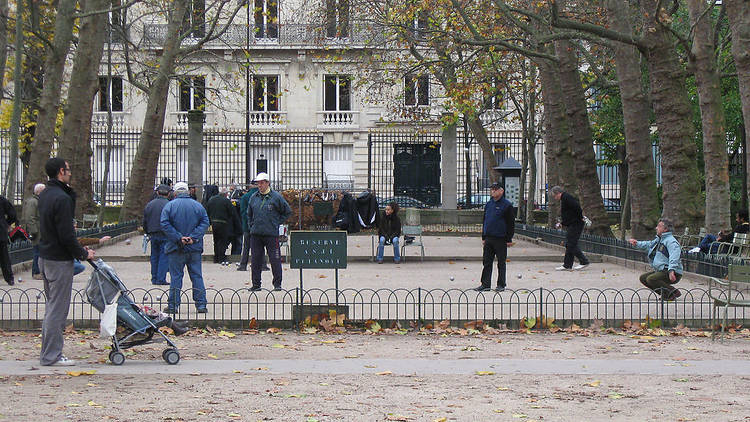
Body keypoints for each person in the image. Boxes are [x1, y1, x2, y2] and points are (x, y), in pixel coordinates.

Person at [38, 157, 96, 366]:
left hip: (45, 257)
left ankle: (48, 352)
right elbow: (66, 235)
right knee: (57, 310)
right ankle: (51, 355)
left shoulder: (45, 194)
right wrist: (83, 254)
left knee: (51, 307)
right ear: (61, 171)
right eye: (68, 170)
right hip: (59, 260)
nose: (70, 173)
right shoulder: (61, 199)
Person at [160, 182, 210, 314]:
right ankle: (201, 305)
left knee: (176, 277)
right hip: (194, 247)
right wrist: (193, 237)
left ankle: (173, 305)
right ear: (188, 192)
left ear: (174, 193)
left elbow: (164, 224)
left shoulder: (169, 206)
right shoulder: (198, 206)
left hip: (176, 247)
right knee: (197, 276)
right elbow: (205, 222)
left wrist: (178, 237)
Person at [247, 172, 291, 291]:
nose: (259, 185)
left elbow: (287, 211)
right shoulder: (253, 197)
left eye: (261, 183)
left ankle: (277, 284)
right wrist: (251, 225)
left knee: (275, 259)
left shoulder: (276, 197)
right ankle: (256, 284)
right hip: (256, 234)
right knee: (255, 260)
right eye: (258, 183)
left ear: (267, 183)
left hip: (271, 234)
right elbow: (249, 214)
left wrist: (276, 222)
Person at [628, 218, 683, 301]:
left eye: (659, 226)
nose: (656, 228)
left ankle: (673, 292)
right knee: (643, 278)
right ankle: (666, 293)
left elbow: (674, 256)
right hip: (662, 269)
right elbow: (649, 245)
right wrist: (637, 243)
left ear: (665, 229)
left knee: (651, 279)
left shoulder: (671, 241)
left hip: (672, 271)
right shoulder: (660, 239)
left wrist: (671, 270)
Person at [475, 182, 515, 292]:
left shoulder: (507, 205)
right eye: (492, 189)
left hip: (500, 238)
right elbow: (485, 220)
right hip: (489, 237)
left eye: (495, 189)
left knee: (501, 262)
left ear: (501, 191)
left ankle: (501, 284)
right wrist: (484, 236)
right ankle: (485, 284)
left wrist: (509, 238)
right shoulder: (489, 204)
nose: (493, 191)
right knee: (487, 262)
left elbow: (510, 223)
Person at [551, 186, 589, 271]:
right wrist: (563, 223)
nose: (555, 198)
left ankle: (583, 261)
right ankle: (567, 264)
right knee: (570, 243)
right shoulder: (565, 198)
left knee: (571, 243)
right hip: (573, 223)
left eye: (554, 196)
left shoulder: (566, 198)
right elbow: (568, 213)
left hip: (576, 223)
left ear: (558, 193)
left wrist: (580, 217)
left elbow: (577, 207)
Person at [143, 184, 171, 285]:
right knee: (164, 256)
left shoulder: (149, 204)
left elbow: (145, 221)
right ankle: (161, 278)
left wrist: (147, 232)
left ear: (157, 193)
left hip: (153, 233)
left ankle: (154, 277)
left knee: (154, 256)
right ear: (168, 194)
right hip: (165, 233)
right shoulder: (169, 204)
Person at [206, 187, 240, 265]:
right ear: (225, 194)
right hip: (223, 223)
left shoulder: (211, 200)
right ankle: (221, 258)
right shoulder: (226, 201)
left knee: (216, 240)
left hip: (214, 223)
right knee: (222, 241)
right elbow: (232, 213)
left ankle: (216, 257)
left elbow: (207, 210)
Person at [22, 183, 45, 280]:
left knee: (40, 252)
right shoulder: (33, 202)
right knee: (37, 252)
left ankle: (39, 271)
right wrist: (34, 231)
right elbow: (30, 218)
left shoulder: (39, 201)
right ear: (39, 191)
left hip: (41, 230)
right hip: (37, 231)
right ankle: (36, 272)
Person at [237, 181, 260, 271]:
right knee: (259, 246)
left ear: (250, 186)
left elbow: (242, 212)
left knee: (246, 246)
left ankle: (243, 265)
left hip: (247, 226)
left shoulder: (245, 197)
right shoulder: (261, 195)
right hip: (259, 225)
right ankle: (262, 264)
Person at [0, 193, 17, 286]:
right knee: (4, 256)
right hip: (1, 231)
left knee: (4, 256)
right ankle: (9, 278)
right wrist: (6, 224)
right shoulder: (2, 200)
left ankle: (9, 278)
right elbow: (12, 214)